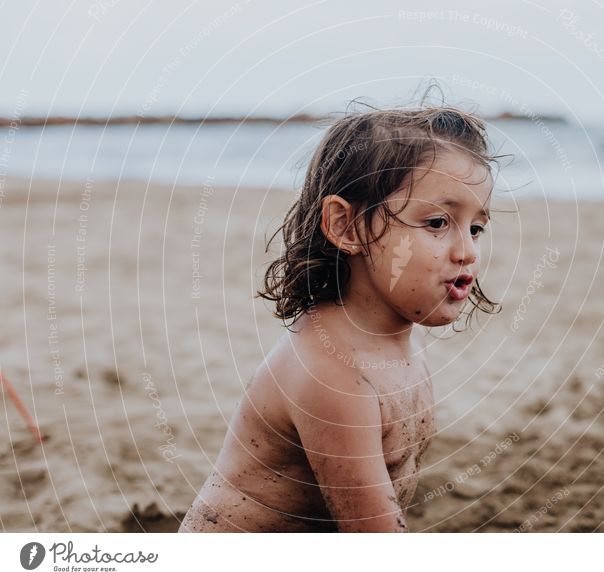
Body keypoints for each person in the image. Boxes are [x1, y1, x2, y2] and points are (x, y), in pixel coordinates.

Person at [179, 104, 500, 532]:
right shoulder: (332, 374)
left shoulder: (391, 341)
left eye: (475, 227)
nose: (467, 251)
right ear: (345, 226)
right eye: (438, 222)